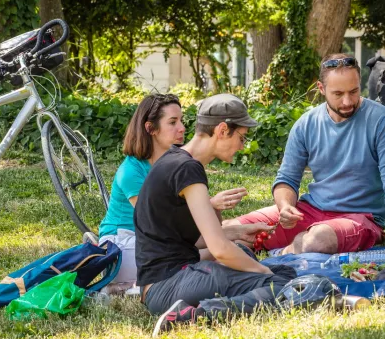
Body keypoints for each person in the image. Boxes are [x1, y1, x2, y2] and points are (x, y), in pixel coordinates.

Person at [135, 94, 296, 336]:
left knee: (271, 267)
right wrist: (264, 273)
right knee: (280, 283)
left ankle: (210, 306)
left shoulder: (176, 160)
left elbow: (186, 238)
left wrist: (236, 232)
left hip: (163, 283)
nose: (242, 146)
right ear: (222, 130)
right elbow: (219, 249)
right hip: (168, 286)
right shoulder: (186, 168)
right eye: (241, 137)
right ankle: (201, 315)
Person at [227, 54, 385, 254]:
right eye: (338, 93)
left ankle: (280, 253)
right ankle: (270, 248)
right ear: (321, 88)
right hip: (310, 211)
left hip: (360, 218)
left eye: (354, 91)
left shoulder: (382, 120)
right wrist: (285, 207)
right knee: (229, 229)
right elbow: (286, 179)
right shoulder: (306, 124)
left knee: (316, 241)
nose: (347, 101)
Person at [95, 93, 264, 292]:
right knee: (204, 254)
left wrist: (227, 232)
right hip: (123, 244)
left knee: (221, 248)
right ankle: (123, 287)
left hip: (156, 244)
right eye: (172, 122)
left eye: (181, 120)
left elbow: (182, 230)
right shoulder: (131, 172)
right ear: (151, 129)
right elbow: (161, 225)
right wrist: (219, 223)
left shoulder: (175, 162)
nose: (182, 128)